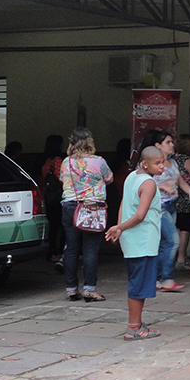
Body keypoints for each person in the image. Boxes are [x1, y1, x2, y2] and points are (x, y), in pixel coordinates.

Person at [105, 146, 165, 340]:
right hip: (143, 240)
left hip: (131, 238)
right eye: (157, 163)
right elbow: (140, 215)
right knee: (139, 286)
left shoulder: (131, 177)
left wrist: (120, 227)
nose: (162, 167)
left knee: (136, 282)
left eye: (163, 162)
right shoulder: (149, 183)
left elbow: (124, 203)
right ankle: (134, 328)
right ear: (145, 163)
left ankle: (137, 324)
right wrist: (119, 227)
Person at [60, 127, 113, 303]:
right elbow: (110, 179)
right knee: (90, 249)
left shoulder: (66, 162)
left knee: (71, 249)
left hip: (69, 207)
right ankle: (89, 290)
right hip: (92, 207)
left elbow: (62, 180)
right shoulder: (98, 161)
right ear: (90, 142)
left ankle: (71, 289)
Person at [139, 129, 185, 293]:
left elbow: (180, 181)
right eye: (168, 142)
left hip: (171, 204)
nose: (172, 145)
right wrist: (162, 186)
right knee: (173, 241)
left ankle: (156, 278)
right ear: (158, 145)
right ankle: (166, 278)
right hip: (159, 206)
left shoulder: (173, 163)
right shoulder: (147, 164)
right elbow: (140, 182)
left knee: (163, 243)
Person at [172, 134, 190, 271]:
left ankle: (175, 257)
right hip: (186, 199)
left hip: (173, 198)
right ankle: (181, 258)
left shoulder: (171, 160)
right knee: (185, 230)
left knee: (177, 228)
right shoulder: (189, 161)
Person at [39, 134, 65, 269]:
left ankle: (51, 251)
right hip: (59, 197)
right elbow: (62, 178)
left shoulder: (46, 161)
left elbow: (44, 177)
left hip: (49, 197)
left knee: (52, 226)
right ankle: (60, 252)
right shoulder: (58, 160)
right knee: (63, 226)